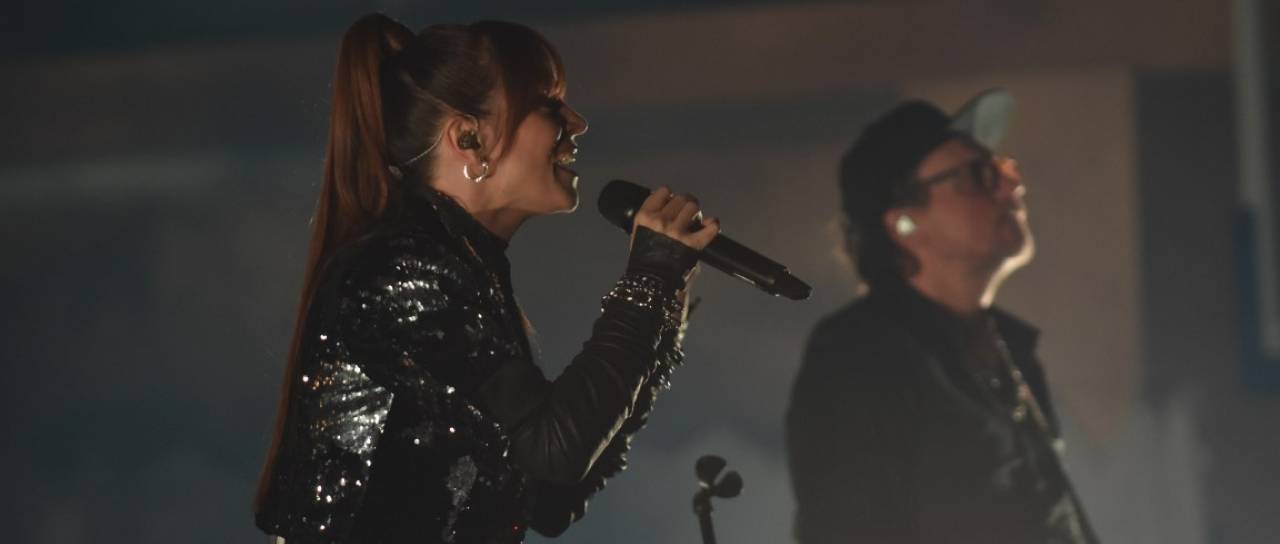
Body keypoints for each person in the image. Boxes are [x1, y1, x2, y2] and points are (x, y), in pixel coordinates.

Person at [253, 14, 720, 543]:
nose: (576, 124)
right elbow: (556, 449)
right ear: (469, 137)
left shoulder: (463, 273)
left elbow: (550, 497)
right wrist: (648, 282)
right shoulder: (399, 270)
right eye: (548, 105)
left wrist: (660, 325)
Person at [785, 89, 1097, 543]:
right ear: (904, 223)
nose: (1011, 187)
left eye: (1002, 170)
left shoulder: (1011, 351)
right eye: (977, 175)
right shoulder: (860, 353)